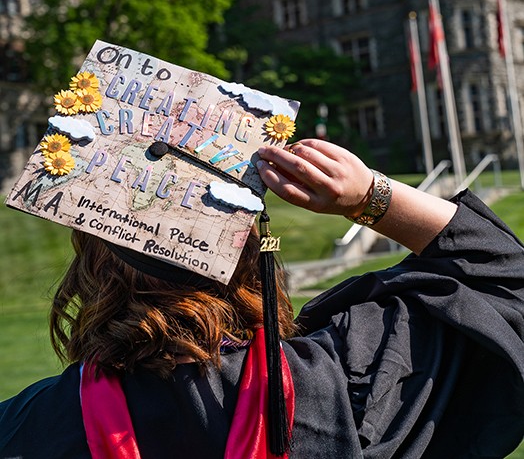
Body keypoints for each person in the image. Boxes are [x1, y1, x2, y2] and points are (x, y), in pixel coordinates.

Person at [1, 138, 524, 459]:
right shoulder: (353, 380)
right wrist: (369, 196)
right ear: (252, 258)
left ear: (89, 268)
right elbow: (505, 274)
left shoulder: (25, 427)